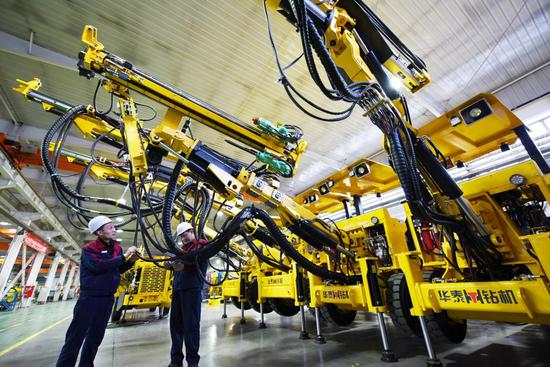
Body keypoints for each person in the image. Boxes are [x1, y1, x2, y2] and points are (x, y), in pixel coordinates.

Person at [57, 215, 138, 367]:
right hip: (90, 298)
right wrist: (124, 257)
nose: (114, 230)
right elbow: (98, 266)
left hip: (107, 299)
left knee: (95, 337)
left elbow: (117, 268)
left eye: (114, 227)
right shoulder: (89, 249)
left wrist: (130, 262)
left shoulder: (116, 248)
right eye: (110, 227)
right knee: (76, 336)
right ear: (99, 232)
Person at [167, 222, 208, 367]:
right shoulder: (182, 250)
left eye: (185, 235)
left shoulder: (202, 246)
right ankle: (175, 361)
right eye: (181, 237)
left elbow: (194, 262)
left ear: (192, 231)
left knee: (191, 327)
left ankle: (192, 362)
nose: (183, 239)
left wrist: (182, 265)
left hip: (191, 290)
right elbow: (179, 266)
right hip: (178, 290)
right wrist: (170, 265)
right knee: (175, 327)